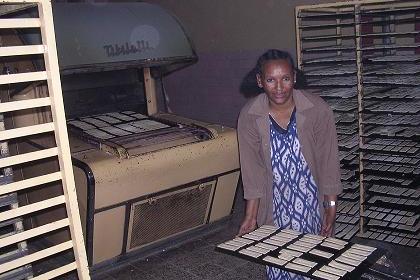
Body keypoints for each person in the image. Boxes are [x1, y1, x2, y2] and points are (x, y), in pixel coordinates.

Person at [237, 49, 342, 280]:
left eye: (285, 78)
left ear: (294, 77)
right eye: (270, 80)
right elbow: (252, 169)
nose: (279, 87)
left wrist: (330, 206)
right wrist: (251, 216)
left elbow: (328, 162)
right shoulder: (250, 116)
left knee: (311, 263)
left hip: (310, 200)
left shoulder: (317, 110)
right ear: (259, 81)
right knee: (278, 261)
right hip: (274, 200)